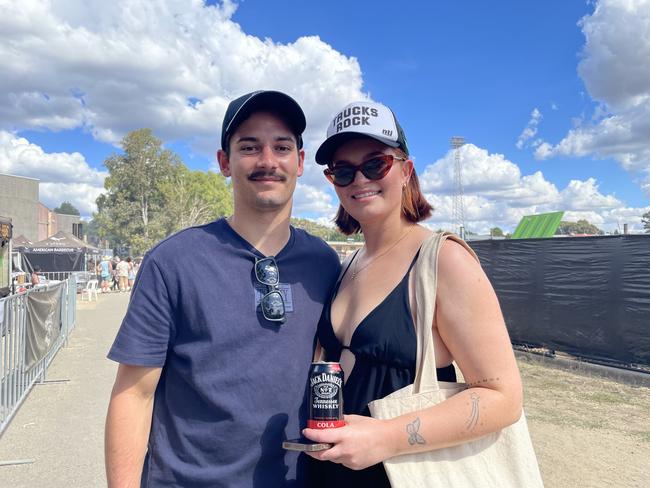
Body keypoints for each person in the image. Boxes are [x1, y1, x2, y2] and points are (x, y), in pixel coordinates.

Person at [104, 90, 341, 487]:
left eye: (281, 147)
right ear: (224, 162)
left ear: (299, 163)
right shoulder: (172, 262)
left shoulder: (323, 262)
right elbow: (133, 395)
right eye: (249, 147)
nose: (268, 160)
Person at [303, 101, 524, 486]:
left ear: (405, 170)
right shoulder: (347, 266)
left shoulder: (443, 261)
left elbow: (503, 397)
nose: (360, 179)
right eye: (343, 170)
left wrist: (385, 437)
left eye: (376, 164)